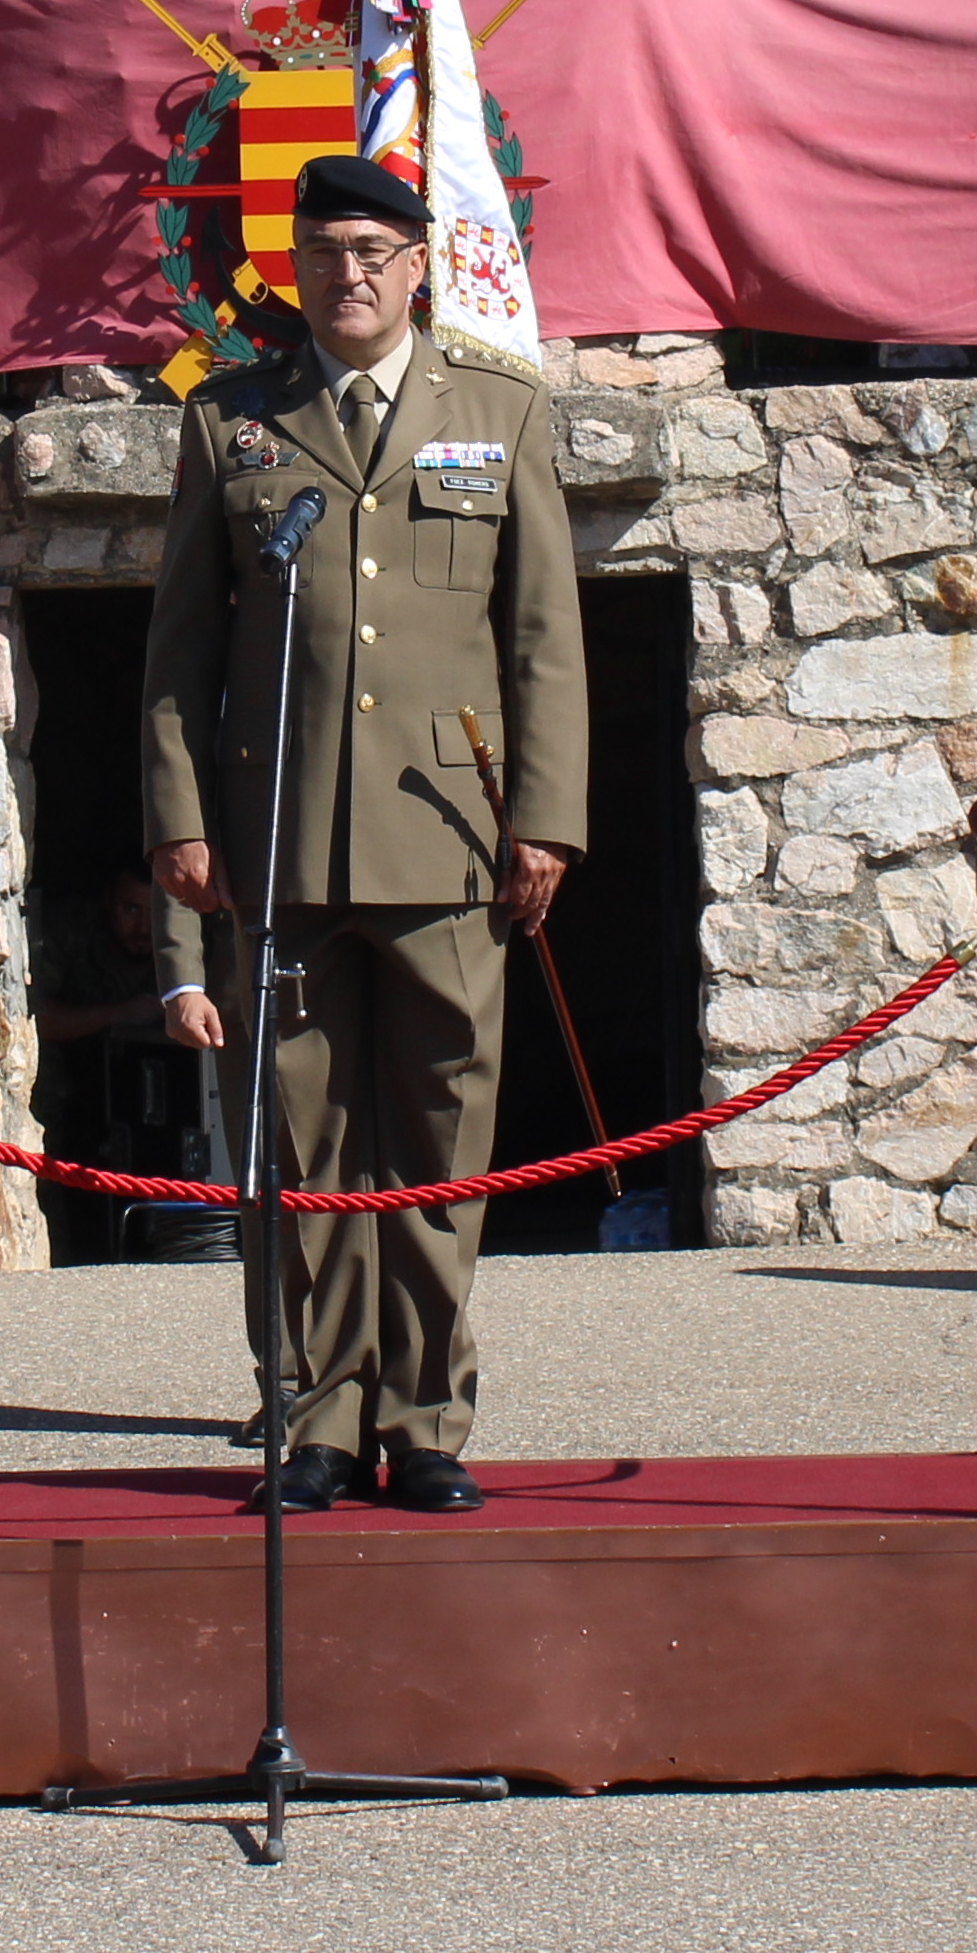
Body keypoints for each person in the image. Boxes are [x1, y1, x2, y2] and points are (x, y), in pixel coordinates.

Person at [139, 152, 586, 1517]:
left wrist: (545, 820)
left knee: (443, 1142)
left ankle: (428, 1418)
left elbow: (544, 637)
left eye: (373, 253)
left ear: (416, 268)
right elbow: (178, 655)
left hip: (447, 836)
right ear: (300, 265)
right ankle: (318, 1419)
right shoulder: (236, 422)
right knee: (298, 1142)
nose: (349, 274)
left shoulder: (496, 412)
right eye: (325, 251)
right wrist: (183, 823)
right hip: (279, 839)